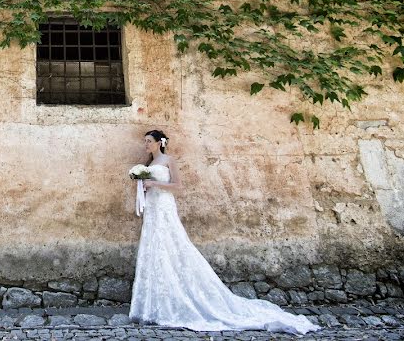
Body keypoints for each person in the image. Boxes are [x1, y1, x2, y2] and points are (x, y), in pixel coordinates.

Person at [128, 130, 319, 334]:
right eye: (145, 141)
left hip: (165, 207)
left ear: (159, 143)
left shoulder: (168, 160)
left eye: (149, 141)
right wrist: (144, 185)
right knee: (155, 248)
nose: (146, 144)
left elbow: (178, 186)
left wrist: (154, 183)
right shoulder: (147, 165)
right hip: (153, 209)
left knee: (172, 245)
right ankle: (155, 303)